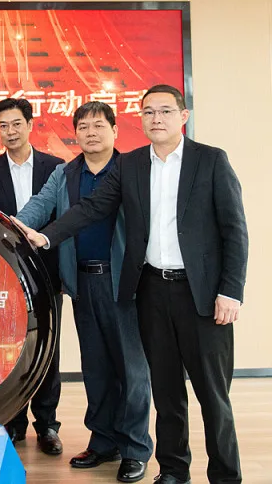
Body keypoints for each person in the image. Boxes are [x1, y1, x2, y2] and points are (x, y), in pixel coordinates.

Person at [14, 84, 248, 484]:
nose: (157, 119)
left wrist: (231, 291)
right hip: (151, 290)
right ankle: (173, 471)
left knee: (212, 395)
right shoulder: (134, 165)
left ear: (183, 116)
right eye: (149, 112)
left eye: (165, 111)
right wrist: (45, 237)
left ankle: (225, 476)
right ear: (140, 119)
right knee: (166, 391)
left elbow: (234, 231)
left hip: (202, 295)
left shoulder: (210, 160)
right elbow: (92, 208)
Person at [15, 101, 152, 482]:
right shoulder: (65, 173)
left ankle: (134, 448)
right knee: (96, 367)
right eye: (83, 127)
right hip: (81, 282)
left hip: (123, 283)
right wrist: (15, 226)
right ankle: (103, 441)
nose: (90, 133)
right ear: (75, 133)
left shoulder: (132, 170)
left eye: (98, 126)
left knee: (131, 370)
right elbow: (40, 205)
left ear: (115, 131)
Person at [0, 97, 65, 455]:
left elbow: (61, 218)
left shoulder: (55, 167)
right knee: (10, 350)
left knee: (48, 349)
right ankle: (13, 421)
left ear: (30, 125)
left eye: (16, 124)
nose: (10, 131)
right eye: (3, 126)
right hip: (5, 273)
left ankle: (48, 425)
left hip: (47, 271)